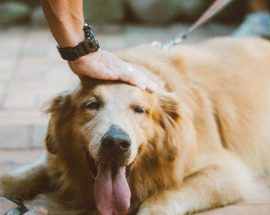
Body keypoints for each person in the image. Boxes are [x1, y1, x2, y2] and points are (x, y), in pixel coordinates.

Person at [0, 1, 158, 214]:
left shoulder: (171, 113)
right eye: (93, 104)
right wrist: (84, 52)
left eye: (138, 109)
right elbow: (60, 149)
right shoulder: (66, 114)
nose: (115, 136)